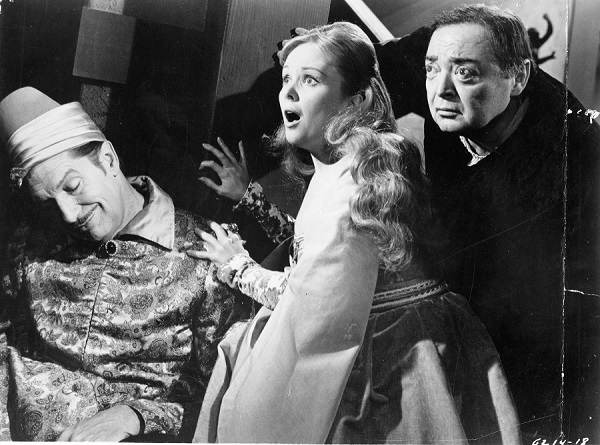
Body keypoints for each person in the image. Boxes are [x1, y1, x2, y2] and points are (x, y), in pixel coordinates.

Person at [189, 22, 521, 443]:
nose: (288, 93)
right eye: (286, 79)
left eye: (310, 80)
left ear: (357, 99)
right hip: (386, 328)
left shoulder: (357, 178)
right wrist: (249, 197)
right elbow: (319, 250)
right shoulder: (350, 160)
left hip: (393, 355)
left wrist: (237, 267)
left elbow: (311, 298)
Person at [370, 4, 600, 440]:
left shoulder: (569, 164)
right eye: (431, 69)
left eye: (466, 74)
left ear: (518, 78)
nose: (441, 91)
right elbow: (370, 66)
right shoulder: (454, 72)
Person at [0, 87, 249, 442]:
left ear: (108, 159)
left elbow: (226, 394)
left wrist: (137, 416)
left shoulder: (208, 255)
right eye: (47, 202)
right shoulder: (30, 244)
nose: (68, 215)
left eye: (72, 186)